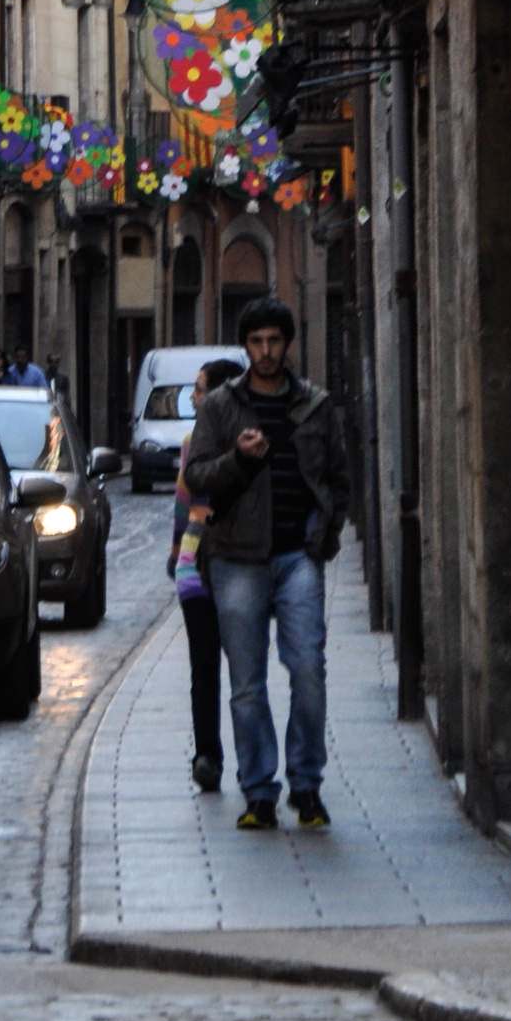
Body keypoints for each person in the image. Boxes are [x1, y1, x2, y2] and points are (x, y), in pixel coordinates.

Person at [185, 296, 349, 832]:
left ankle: (306, 784)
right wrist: (239, 458)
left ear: (288, 344)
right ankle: (259, 790)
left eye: (274, 340)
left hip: (298, 556)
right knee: (247, 683)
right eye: (256, 342)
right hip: (236, 556)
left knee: (308, 670)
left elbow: (339, 479)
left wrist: (324, 538)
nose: (266, 351)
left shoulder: (316, 406)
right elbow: (198, 477)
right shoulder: (220, 408)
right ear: (246, 346)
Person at [170, 357, 245, 792]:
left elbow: (183, 506)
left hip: (215, 561)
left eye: (199, 389)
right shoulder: (197, 441)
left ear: (218, 395)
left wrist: (176, 552)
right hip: (204, 566)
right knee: (234, 668)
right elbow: (183, 503)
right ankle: (220, 759)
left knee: (212, 668)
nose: (194, 397)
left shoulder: (206, 443)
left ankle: (214, 757)